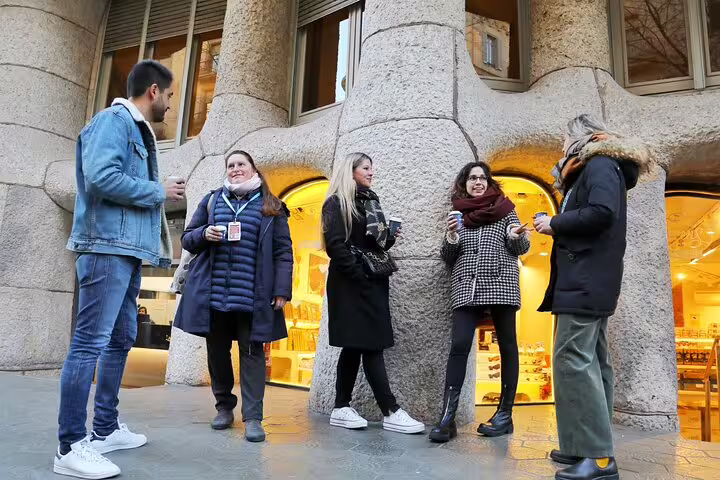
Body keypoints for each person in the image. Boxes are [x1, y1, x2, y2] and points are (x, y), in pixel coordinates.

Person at [56, 60, 186, 479]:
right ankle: (70, 446)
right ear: (153, 91)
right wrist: (158, 191)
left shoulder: (133, 128)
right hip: (106, 247)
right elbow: (99, 177)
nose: (170, 102)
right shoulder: (114, 121)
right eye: (169, 95)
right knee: (89, 344)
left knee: (122, 338)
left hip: (126, 251)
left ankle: (105, 429)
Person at [534, 114, 649, 480]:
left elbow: (602, 213)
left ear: (582, 137)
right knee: (592, 362)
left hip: (585, 279)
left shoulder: (599, 164)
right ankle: (578, 446)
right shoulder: (602, 167)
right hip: (589, 278)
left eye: (564, 138)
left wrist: (554, 224)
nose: (561, 147)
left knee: (573, 360)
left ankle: (597, 457)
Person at [173, 150, 293, 443]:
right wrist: (204, 234)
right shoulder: (212, 200)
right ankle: (224, 407)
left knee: (252, 356)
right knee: (217, 353)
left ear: (254, 169)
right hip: (215, 295)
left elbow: (283, 252)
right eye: (231, 165)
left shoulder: (271, 206)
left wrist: (281, 290)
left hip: (253, 297)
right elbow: (188, 238)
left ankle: (253, 418)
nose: (235, 169)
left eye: (241, 164)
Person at [321, 152, 424, 434]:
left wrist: (389, 236)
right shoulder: (337, 202)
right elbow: (336, 246)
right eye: (365, 168)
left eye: (371, 168)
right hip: (351, 283)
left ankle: (341, 407)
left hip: (372, 280)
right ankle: (390, 410)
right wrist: (359, 277)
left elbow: (375, 246)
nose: (371, 172)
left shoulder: (372, 202)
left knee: (357, 345)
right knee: (369, 344)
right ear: (351, 171)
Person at [429, 162, 530, 443]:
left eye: (483, 178)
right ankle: (448, 416)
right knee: (459, 346)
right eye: (473, 178)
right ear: (464, 183)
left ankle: (504, 414)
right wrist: (451, 236)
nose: (478, 182)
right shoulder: (458, 213)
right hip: (467, 286)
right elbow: (448, 257)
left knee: (507, 345)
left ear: (489, 182)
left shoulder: (506, 209)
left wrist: (515, 237)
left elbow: (522, 248)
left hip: (501, 284)